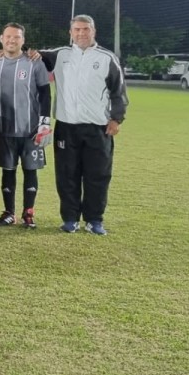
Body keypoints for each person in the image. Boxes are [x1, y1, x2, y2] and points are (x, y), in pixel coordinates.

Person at [38, 15, 127, 235]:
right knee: (67, 174)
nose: (81, 33)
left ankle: (94, 220)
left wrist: (116, 118)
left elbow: (119, 92)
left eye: (85, 29)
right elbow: (25, 53)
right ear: (70, 33)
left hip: (98, 128)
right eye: (76, 29)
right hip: (67, 127)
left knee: (97, 174)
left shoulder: (107, 58)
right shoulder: (60, 55)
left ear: (93, 31)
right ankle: (70, 219)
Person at [0, 23, 51, 229]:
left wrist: (45, 123)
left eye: (16, 37)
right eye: (8, 37)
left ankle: (28, 213)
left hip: (31, 129)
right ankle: (9, 213)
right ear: (1, 38)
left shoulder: (34, 62)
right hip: (5, 128)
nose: (11, 40)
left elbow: (45, 93)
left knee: (30, 170)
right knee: (8, 170)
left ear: (23, 40)